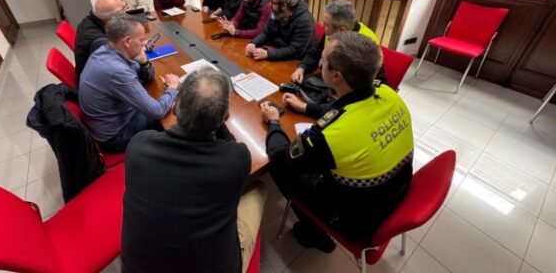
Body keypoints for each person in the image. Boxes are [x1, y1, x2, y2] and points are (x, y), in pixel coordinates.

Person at [260, 31, 414, 253]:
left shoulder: (329, 135)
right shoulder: (389, 94)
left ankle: (316, 234)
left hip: (357, 220)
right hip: (396, 193)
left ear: (336, 76)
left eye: (323, 60)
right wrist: (306, 108)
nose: (320, 63)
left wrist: (274, 122)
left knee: (279, 168)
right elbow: (341, 108)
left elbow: (281, 158)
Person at [122, 68, 267, 273]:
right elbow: (231, 146)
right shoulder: (236, 160)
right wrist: (215, 119)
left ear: (174, 108)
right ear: (226, 117)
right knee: (259, 189)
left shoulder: (138, 146)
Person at [79, 14, 179, 152]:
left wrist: (144, 61)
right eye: (141, 40)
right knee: (176, 119)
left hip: (111, 121)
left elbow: (147, 77)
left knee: (166, 101)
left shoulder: (107, 50)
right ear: (127, 41)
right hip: (116, 136)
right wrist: (173, 87)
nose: (144, 44)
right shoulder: (116, 71)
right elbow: (157, 111)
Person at [285, 0, 386, 118]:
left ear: (342, 30)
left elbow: (374, 85)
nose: (321, 25)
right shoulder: (334, 31)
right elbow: (316, 52)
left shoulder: (365, 44)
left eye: (326, 24)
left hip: (347, 99)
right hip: (331, 83)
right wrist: (302, 67)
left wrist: (305, 107)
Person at [245, 0, 316, 61]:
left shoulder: (304, 21)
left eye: (272, 2)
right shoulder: (277, 12)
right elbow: (265, 33)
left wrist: (268, 53)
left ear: (284, 5)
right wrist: (253, 43)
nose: (269, 5)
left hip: (294, 62)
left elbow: (295, 51)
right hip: (276, 53)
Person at [74, 0, 130, 80]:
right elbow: (123, 68)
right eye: (124, 9)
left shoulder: (90, 19)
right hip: (100, 82)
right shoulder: (100, 43)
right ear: (113, 19)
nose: (127, 11)